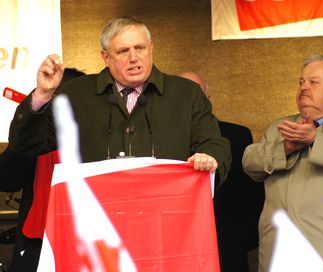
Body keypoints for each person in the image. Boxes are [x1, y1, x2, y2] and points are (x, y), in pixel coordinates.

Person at [6, 16, 231, 271]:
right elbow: (26, 144)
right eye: (123, 51)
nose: (134, 57)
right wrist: (42, 95)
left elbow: (216, 143)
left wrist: (210, 156)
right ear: (105, 57)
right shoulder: (76, 95)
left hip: (167, 233)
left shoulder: (186, 94)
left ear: (151, 48)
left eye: (140, 48)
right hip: (96, 234)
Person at [242, 55, 323, 271]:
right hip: (277, 256)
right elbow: (250, 163)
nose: (304, 87)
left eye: (313, 82)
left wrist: (316, 140)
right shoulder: (281, 127)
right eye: (301, 82)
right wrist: (285, 148)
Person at [0, 68, 86, 272]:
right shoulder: (34, 140)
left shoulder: (96, 137)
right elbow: (5, 179)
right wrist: (30, 130)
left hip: (85, 242)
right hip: (37, 246)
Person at [179, 71, 264, 272]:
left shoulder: (238, 135)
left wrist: (243, 240)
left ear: (208, 100)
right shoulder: (159, 140)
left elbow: (252, 195)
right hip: (179, 245)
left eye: (196, 96)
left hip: (228, 244)